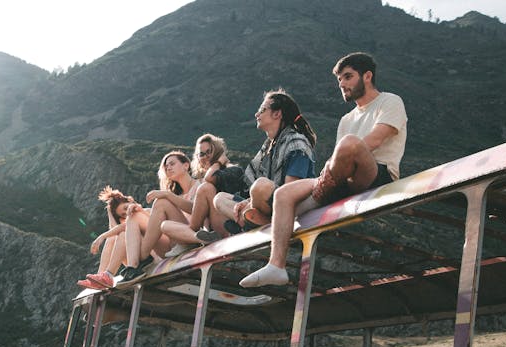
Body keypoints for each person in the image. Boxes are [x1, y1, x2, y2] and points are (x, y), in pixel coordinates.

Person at [240, 52, 407, 287]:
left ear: (367, 76)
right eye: (340, 80)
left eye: (348, 77)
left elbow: (375, 141)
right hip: (339, 178)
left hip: (375, 174)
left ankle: (315, 195)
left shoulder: (390, 101)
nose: (342, 84)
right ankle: (276, 266)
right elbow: (340, 161)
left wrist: (329, 173)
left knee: (350, 144)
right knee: (282, 194)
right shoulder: (346, 119)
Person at [213, 88, 317, 234]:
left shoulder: (296, 143)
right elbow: (251, 189)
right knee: (219, 199)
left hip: (291, 205)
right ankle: (252, 220)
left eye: (262, 110)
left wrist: (251, 203)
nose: (257, 114)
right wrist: (248, 202)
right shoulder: (268, 147)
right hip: (267, 205)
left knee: (260, 187)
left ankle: (249, 221)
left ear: (277, 114)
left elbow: (291, 190)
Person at [119, 150, 201, 282]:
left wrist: (167, 195)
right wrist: (141, 211)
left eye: (172, 164)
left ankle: (141, 259)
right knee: (134, 215)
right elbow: (157, 223)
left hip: (190, 238)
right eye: (166, 166)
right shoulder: (175, 195)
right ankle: (134, 266)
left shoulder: (199, 186)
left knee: (161, 202)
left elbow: (196, 210)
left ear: (186, 165)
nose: (168, 168)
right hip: (171, 245)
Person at [160, 133, 246, 255]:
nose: (205, 156)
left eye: (209, 152)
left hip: (229, 226)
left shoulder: (231, 170)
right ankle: (196, 238)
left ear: (217, 152)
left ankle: (190, 238)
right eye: (201, 154)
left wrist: (218, 163)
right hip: (210, 231)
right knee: (165, 226)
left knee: (206, 188)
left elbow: (209, 178)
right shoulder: (204, 179)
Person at [77, 186, 137, 289]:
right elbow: (114, 230)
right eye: (123, 214)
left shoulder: (141, 213)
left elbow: (122, 228)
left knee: (120, 234)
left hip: (143, 256)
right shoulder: (128, 219)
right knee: (113, 237)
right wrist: (110, 211)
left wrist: (102, 237)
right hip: (133, 257)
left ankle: (106, 276)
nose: (126, 213)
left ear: (130, 201)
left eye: (126, 208)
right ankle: (101, 277)